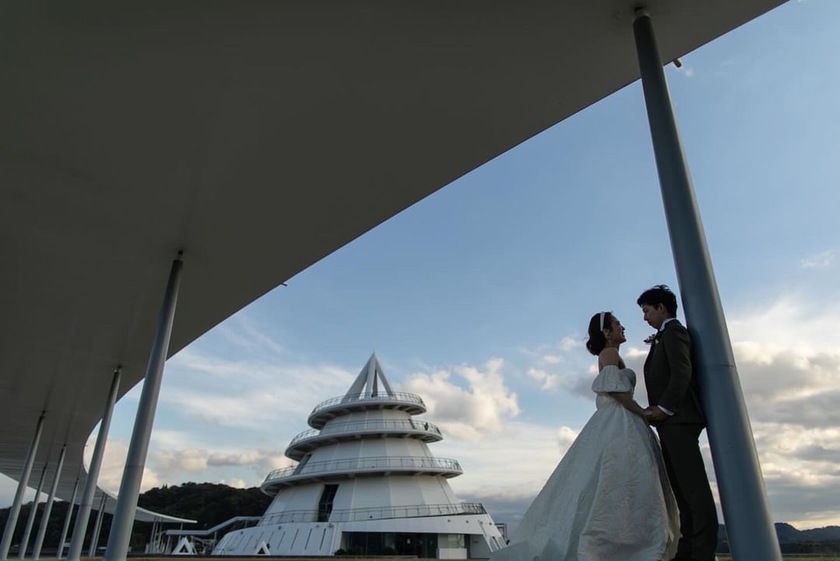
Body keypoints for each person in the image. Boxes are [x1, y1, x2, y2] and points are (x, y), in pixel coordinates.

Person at [490, 312, 678, 561]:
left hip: (620, 418)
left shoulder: (613, 355)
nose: (622, 327)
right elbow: (613, 389)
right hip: (620, 420)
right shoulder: (609, 353)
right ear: (607, 333)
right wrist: (641, 412)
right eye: (617, 324)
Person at [638, 285, 718, 561]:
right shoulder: (664, 336)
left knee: (694, 491)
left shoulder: (674, 333)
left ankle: (702, 553)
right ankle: (686, 551)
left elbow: (681, 372)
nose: (645, 317)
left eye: (647, 311)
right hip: (670, 424)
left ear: (661, 308)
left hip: (679, 420)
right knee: (681, 491)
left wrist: (663, 409)